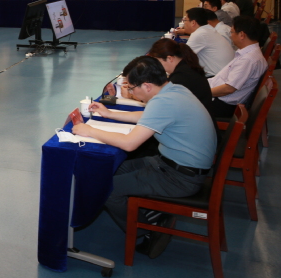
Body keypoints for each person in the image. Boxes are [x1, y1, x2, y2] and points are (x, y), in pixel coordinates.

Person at [73, 56, 216, 259]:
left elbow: (129, 143)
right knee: (111, 169)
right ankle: (149, 215)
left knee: (107, 189)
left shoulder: (163, 102)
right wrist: (109, 114)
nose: (131, 93)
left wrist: (89, 130)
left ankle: (146, 228)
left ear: (147, 86)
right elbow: (147, 117)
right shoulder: (174, 90)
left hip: (180, 177)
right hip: (175, 165)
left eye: (131, 88)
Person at [208, 16, 269, 118]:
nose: (230, 36)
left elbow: (228, 89)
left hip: (222, 105)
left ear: (241, 35)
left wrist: (202, 92)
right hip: (218, 95)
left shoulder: (248, 60)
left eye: (232, 32)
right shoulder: (249, 53)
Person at [182, 8, 234, 77]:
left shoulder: (200, 34)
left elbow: (183, 57)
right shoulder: (208, 30)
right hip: (224, 74)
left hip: (216, 77)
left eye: (185, 20)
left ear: (193, 23)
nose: (184, 23)